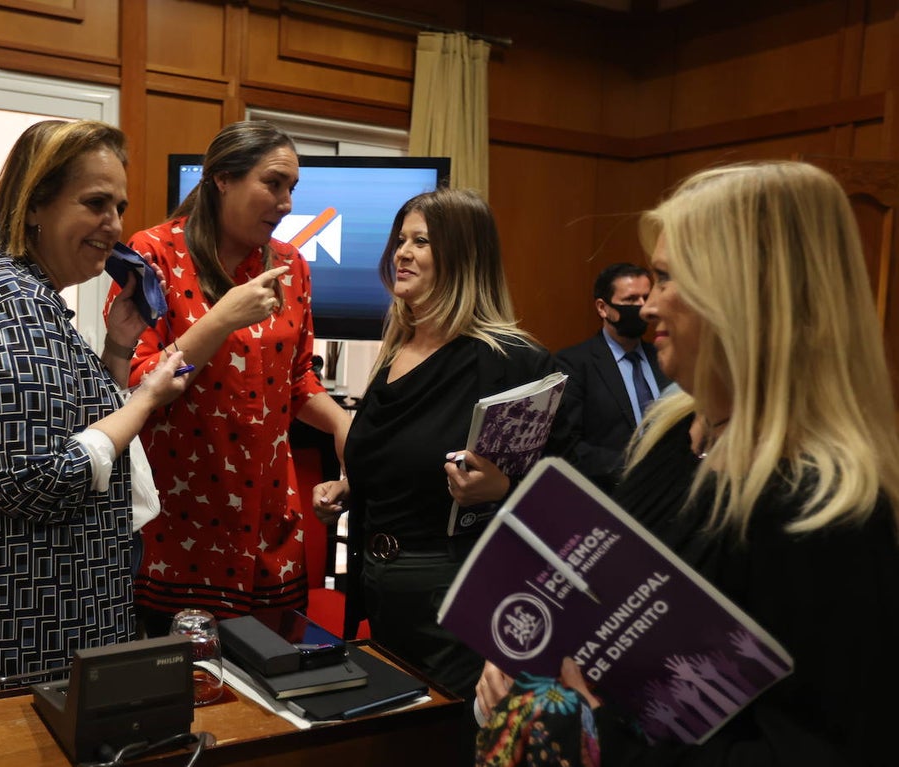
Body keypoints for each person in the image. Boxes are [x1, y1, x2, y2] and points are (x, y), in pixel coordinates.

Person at [474, 161, 899, 767]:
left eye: (669, 279)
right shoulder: (673, 436)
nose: (648, 306)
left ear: (749, 298)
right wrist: (528, 654)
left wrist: (595, 736)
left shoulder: (826, 509)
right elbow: (610, 604)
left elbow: (820, 748)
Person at [0, 119, 190, 688]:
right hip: (28, 628)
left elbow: (76, 427)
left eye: (119, 206)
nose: (114, 224)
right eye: (95, 203)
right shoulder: (10, 305)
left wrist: (118, 348)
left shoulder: (28, 297)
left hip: (44, 612)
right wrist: (147, 398)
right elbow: (35, 479)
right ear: (35, 204)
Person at [312, 188, 578, 763]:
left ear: (462, 256)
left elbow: (564, 500)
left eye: (421, 242)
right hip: (379, 594)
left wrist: (503, 489)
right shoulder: (396, 348)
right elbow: (402, 454)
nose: (401, 253)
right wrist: (352, 485)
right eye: (400, 240)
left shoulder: (513, 361)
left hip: (458, 602)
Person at [109, 120, 352, 636]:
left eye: (292, 188)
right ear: (222, 178)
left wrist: (341, 423)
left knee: (271, 673)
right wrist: (221, 320)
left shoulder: (291, 264)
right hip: (181, 525)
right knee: (182, 677)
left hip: (269, 518)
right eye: (273, 183)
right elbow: (138, 382)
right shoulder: (154, 253)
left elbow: (297, 380)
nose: (286, 203)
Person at [556, 263, 671, 493]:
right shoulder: (574, 364)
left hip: (669, 488)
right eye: (631, 299)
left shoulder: (665, 357)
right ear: (603, 308)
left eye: (646, 297)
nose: (641, 307)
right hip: (612, 492)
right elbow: (569, 447)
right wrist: (635, 467)